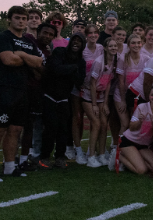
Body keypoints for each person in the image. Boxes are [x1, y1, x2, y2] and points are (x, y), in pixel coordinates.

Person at [0, 6, 43, 182]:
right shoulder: (2, 37)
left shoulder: (29, 42)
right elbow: (8, 59)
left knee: (16, 130)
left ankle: (10, 167)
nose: (21, 21)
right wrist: (26, 60)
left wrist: (22, 55)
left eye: (24, 18)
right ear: (9, 19)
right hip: (2, 89)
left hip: (22, 90)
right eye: (17, 18)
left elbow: (38, 62)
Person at [38, 33, 86, 169]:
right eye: (75, 40)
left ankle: (60, 157)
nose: (76, 43)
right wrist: (72, 69)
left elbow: (79, 81)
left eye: (80, 41)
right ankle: (44, 157)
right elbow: (54, 69)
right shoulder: (60, 51)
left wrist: (70, 71)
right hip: (50, 95)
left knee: (63, 129)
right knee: (50, 127)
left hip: (65, 97)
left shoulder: (80, 61)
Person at [77, 38, 118, 167]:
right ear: (105, 48)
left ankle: (101, 154)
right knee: (96, 123)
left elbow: (108, 82)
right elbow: (93, 83)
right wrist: (94, 104)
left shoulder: (114, 61)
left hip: (101, 96)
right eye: (110, 46)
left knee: (104, 123)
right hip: (89, 94)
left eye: (115, 46)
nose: (113, 48)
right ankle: (91, 156)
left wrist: (105, 103)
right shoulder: (99, 62)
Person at [70, 24, 104, 164]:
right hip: (79, 88)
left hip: (95, 90)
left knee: (95, 120)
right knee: (77, 119)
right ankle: (78, 150)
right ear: (86, 35)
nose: (93, 35)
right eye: (90, 33)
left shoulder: (101, 48)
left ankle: (95, 149)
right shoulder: (81, 50)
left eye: (95, 33)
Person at [22, 22, 56, 162]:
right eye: (45, 33)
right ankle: (24, 156)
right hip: (27, 88)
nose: (47, 36)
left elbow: (46, 72)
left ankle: (35, 154)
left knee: (38, 124)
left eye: (50, 34)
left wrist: (40, 70)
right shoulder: (30, 44)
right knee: (25, 124)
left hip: (41, 91)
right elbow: (29, 63)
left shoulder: (48, 51)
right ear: (38, 32)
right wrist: (38, 69)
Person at [118, 85, 153, 174]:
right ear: (149, 96)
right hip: (129, 141)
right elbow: (132, 128)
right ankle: (119, 157)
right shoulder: (142, 107)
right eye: (152, 95)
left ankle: (133, 158)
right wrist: (140, 121)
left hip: (143, 145)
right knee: (141, 170)